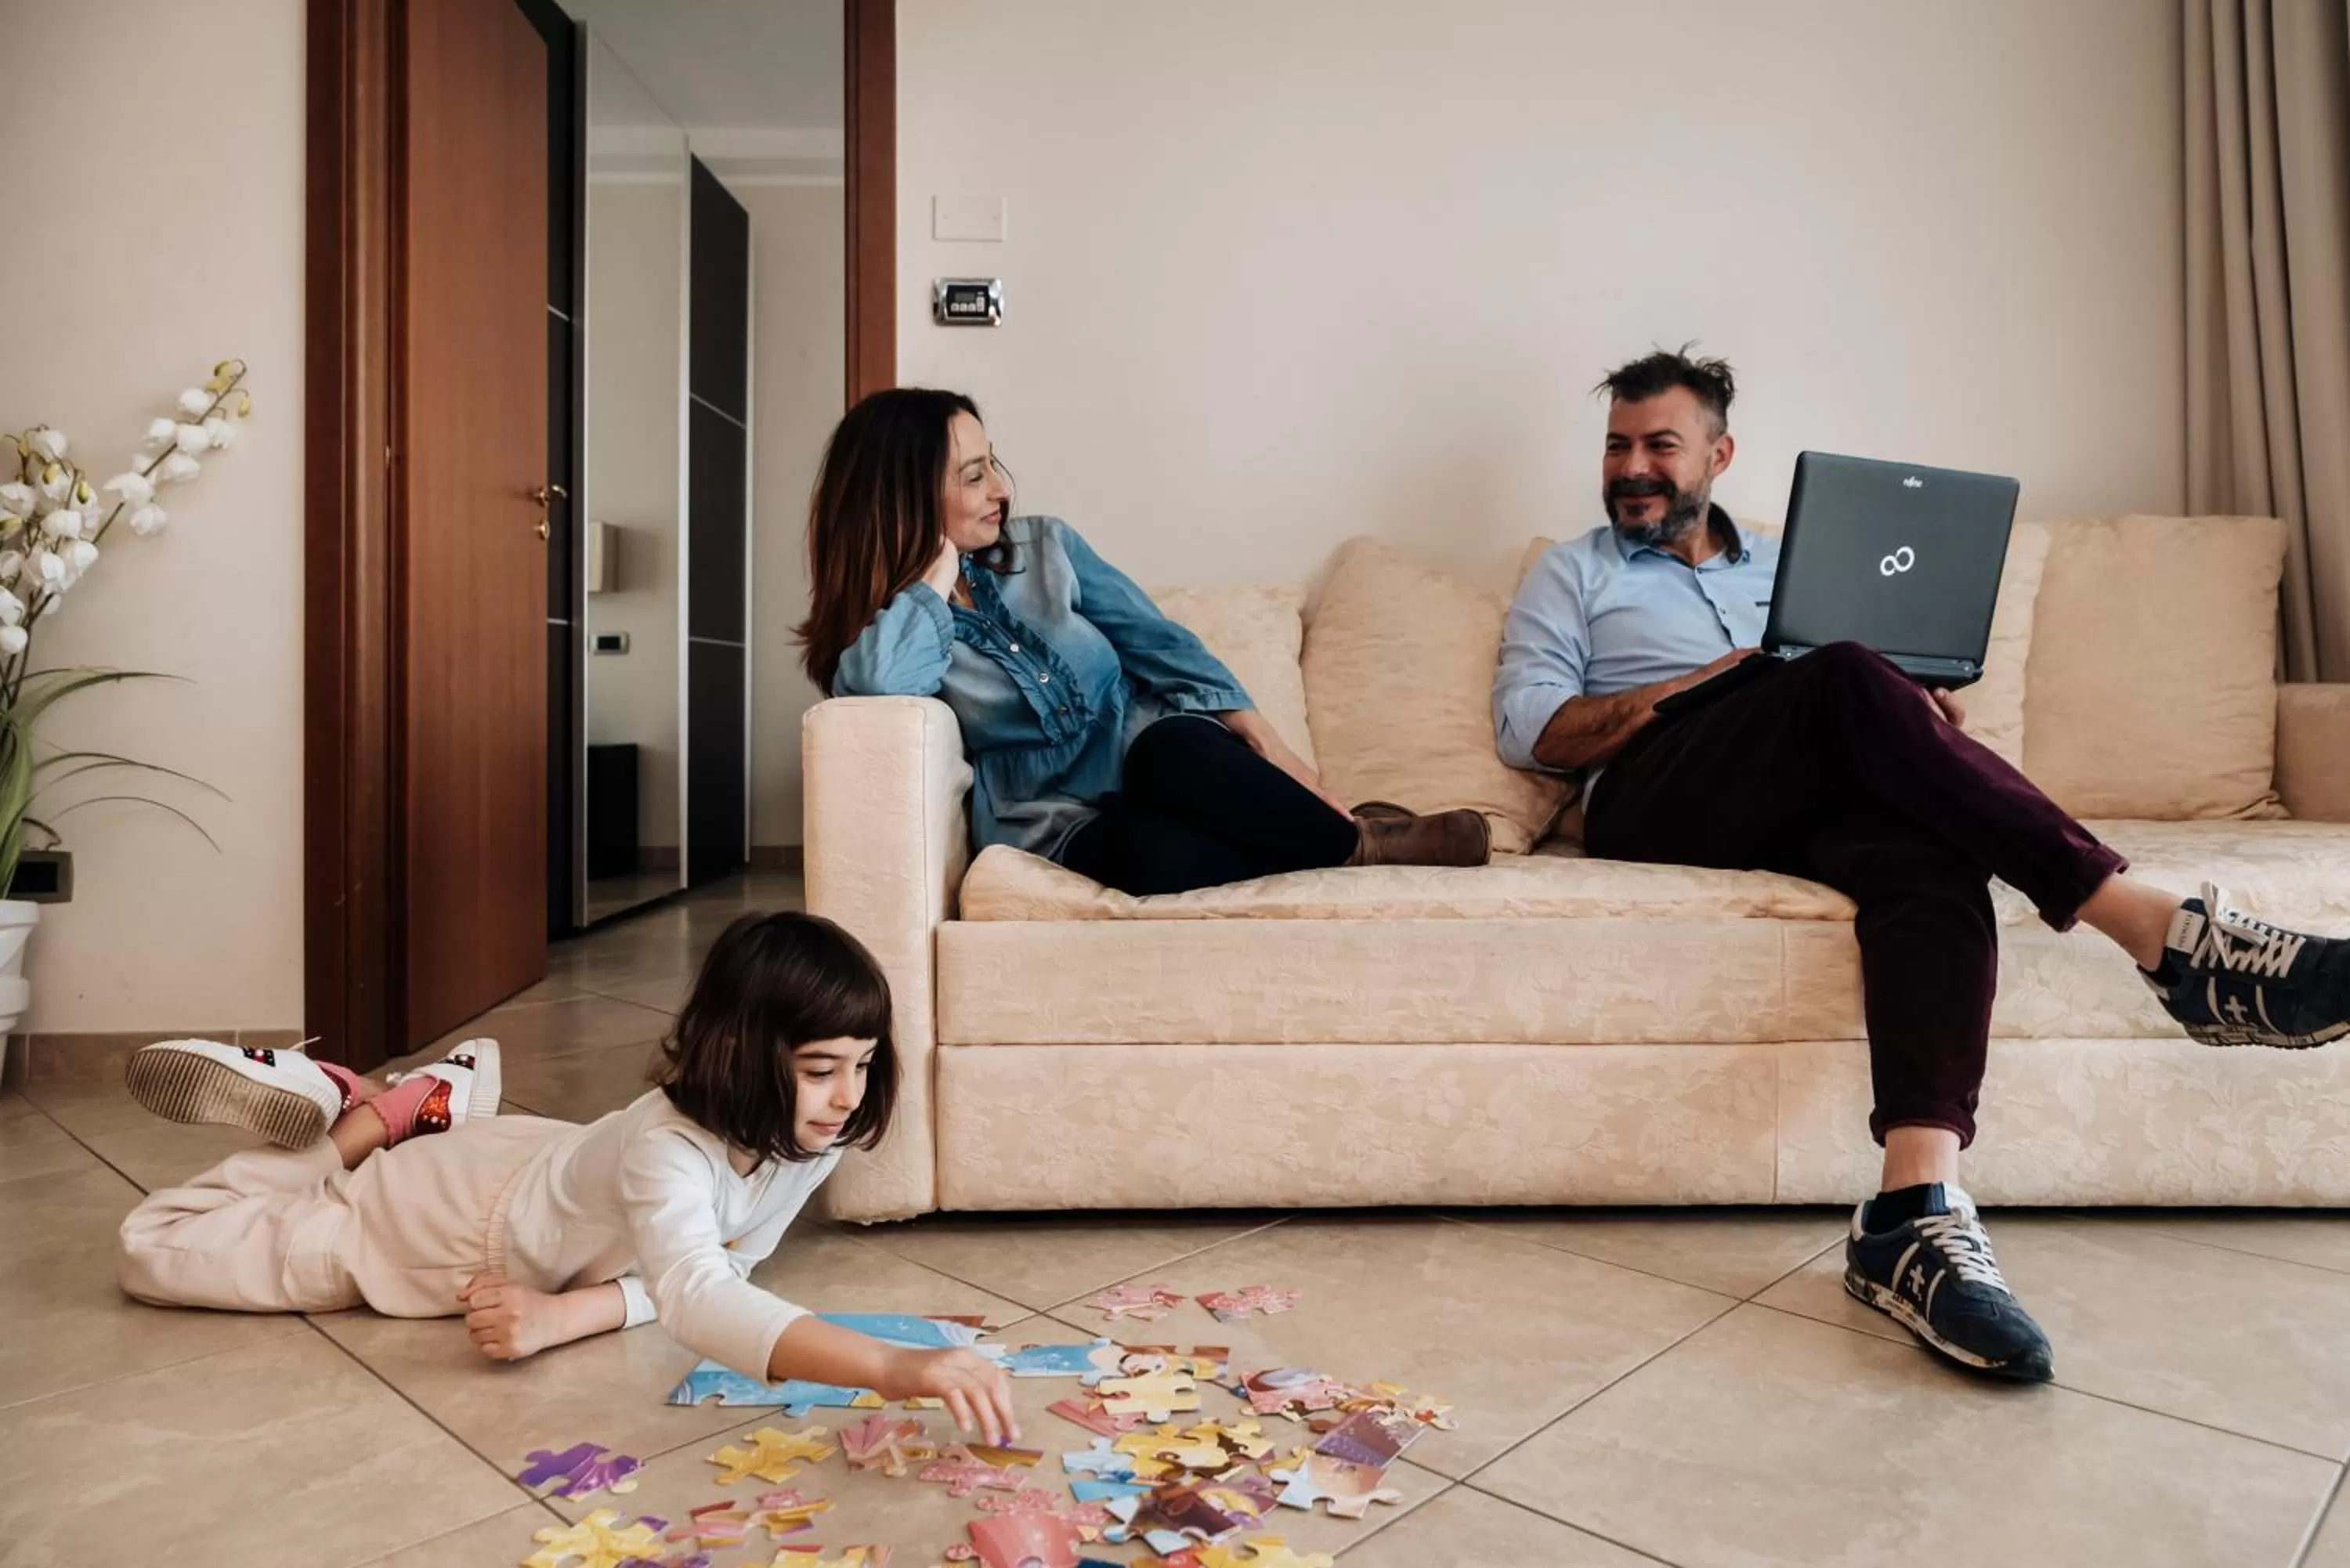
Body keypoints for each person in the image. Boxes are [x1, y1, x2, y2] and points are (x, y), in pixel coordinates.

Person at [1494, 347, 2350, 1382]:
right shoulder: (1572, 571)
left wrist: (1902, 714)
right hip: (1655, 794)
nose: (1632, 465)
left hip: (1803, 786)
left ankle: (1912, 1207)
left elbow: (1845, 691)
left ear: (1718, 454)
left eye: (1658, 444)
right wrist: (1716, 681)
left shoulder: (1784, 566)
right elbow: (1532, 729)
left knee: (1924, 836)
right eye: (1617, 445)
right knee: (1843, 666)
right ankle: (2162, 934)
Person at [114, 912, 1020, 1444]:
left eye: (861, 1064)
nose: (845, 1098)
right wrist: (893, 1367)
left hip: (548, 1168)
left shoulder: (803, 1134)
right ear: (739, 1051)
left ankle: (437, 1098)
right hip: (441, 1223)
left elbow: (723, 1267)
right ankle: (354, 1125)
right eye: (821, 1069)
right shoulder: (670, 1150)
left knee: (595, 1182)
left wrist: (565, 1313)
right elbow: (698, 1298)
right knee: (153, 1248)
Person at [796, 387, 1490, 896]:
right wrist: (934, 575)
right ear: (904, 495)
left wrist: (1274, 751)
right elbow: (880, 683)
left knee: (1177, 749)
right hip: (1059, 815)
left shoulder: (1048, 548)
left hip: (1154, 756)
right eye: (972, 475)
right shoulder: (895, 625)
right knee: (1157, 866)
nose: (1001, 489)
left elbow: (1159, 643)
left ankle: (1362, 840)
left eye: (994, 463)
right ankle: (1340, 837)